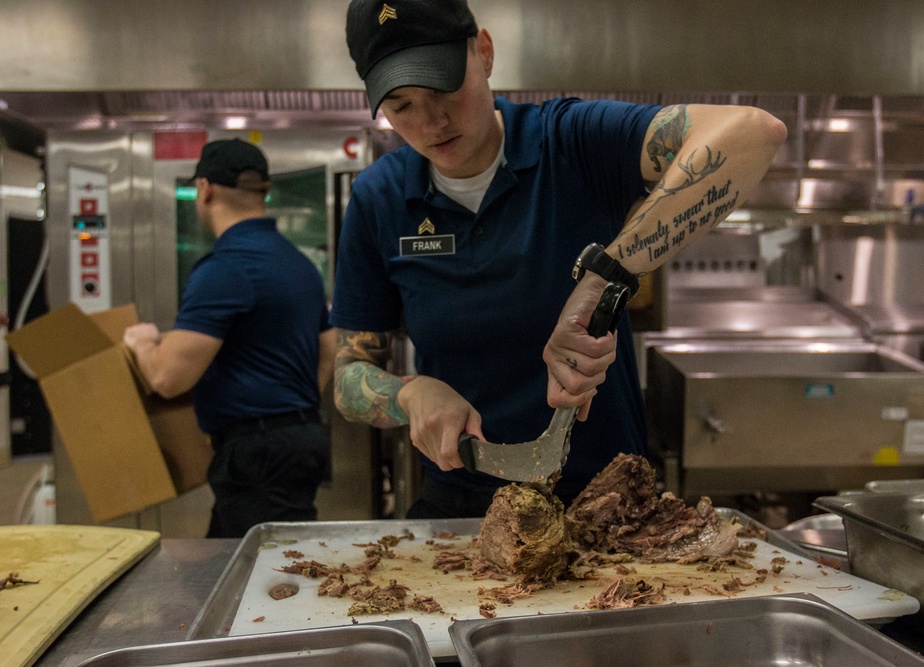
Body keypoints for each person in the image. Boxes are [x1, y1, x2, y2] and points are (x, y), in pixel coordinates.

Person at [332, 0, 788, 518]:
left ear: (483, 53)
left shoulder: (570, 140)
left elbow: (753, 134)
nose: (431, 120)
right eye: (401, 105)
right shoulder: (379, 198)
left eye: (443, 88)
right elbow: (349, 376)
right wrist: (408, 394)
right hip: (461, 511)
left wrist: (605, 279)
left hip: (607, 502)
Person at [124, 138, 335, 538]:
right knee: (231, 562)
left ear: (204, 189)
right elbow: (329, 346)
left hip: (258, 451)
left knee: (266, 576)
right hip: (298, 437)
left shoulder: (225, 269)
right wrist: (293, 406)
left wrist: (143, 344)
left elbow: (168, 379)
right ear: (265, 190)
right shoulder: (300, 264)